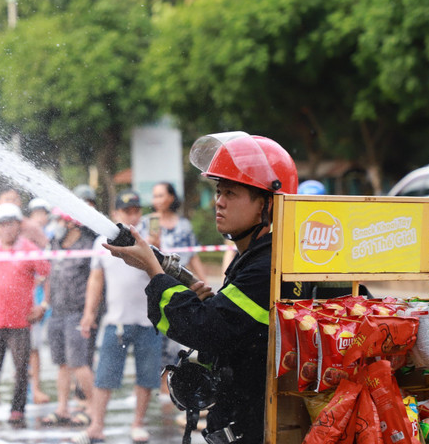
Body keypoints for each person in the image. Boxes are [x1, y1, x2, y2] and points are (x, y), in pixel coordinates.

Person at [104, 132, 312, 444]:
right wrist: (198, 301)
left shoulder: (267, 267)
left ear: (268, 205)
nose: (219, 201)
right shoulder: (261, 259)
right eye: (218, 191)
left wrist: (153, 270)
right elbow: (230, 328)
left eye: (231, 193)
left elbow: (205, 329)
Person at [75, 190, 161, 444]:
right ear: (115, 214)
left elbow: (160, 272)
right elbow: (95, 279)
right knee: (105, 375)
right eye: (126, 210)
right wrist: (89, 313)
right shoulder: (102, 239)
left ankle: (138, 423)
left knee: (147, 375)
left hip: (149, 319)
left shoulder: (149, 238)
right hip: (117, 319)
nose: (132, 215)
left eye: (136, 210)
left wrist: (155, 243)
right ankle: (97, 425)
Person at [0, 203, 50, 427]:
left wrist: (43, 305)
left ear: (19, 226)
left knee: (21, 369)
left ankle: (17, 409)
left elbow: (48, 275)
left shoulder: (29, 249)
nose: (8, 229)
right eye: (3, 225)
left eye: (12, 224)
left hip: (21, 323)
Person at [138, 181, 208, 404]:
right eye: (154, 196)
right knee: (160, 333)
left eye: (161, 195)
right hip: (160, 282)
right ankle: (158, 384)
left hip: (184, 284)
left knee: (181, 335)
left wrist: (203, 279)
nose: (157, 200)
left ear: (171, 198)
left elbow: (194, 255)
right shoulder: (147, 223)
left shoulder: (184, 225)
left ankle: (177, 383)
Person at [40, 210, 96, 427]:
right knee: (62, 364)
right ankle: (62, 408)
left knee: (79, 364)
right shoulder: (54, 243)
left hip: (77, 312)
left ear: (72, 224)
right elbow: (49, 276)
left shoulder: (87, 246)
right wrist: (45, 304)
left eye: (59, 220)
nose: (56, 225)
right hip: (56, 311)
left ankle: (92, 407)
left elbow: (95, 281)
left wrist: (90, 313)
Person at [26, 197, 54, 404]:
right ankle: (28, 389)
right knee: (26, 346)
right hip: (28, 295)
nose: (39, 217)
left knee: (37, 345)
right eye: (35, 213)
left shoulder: (52, 236)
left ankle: (35, 388)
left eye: (42, 213)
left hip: (47, 295)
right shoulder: (23, 237)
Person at [0, 189, 48, 253]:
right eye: (7, 199)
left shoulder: (31, 225)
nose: (11, 203)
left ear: (20, 203)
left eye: (15, 200)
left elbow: (48, 249)